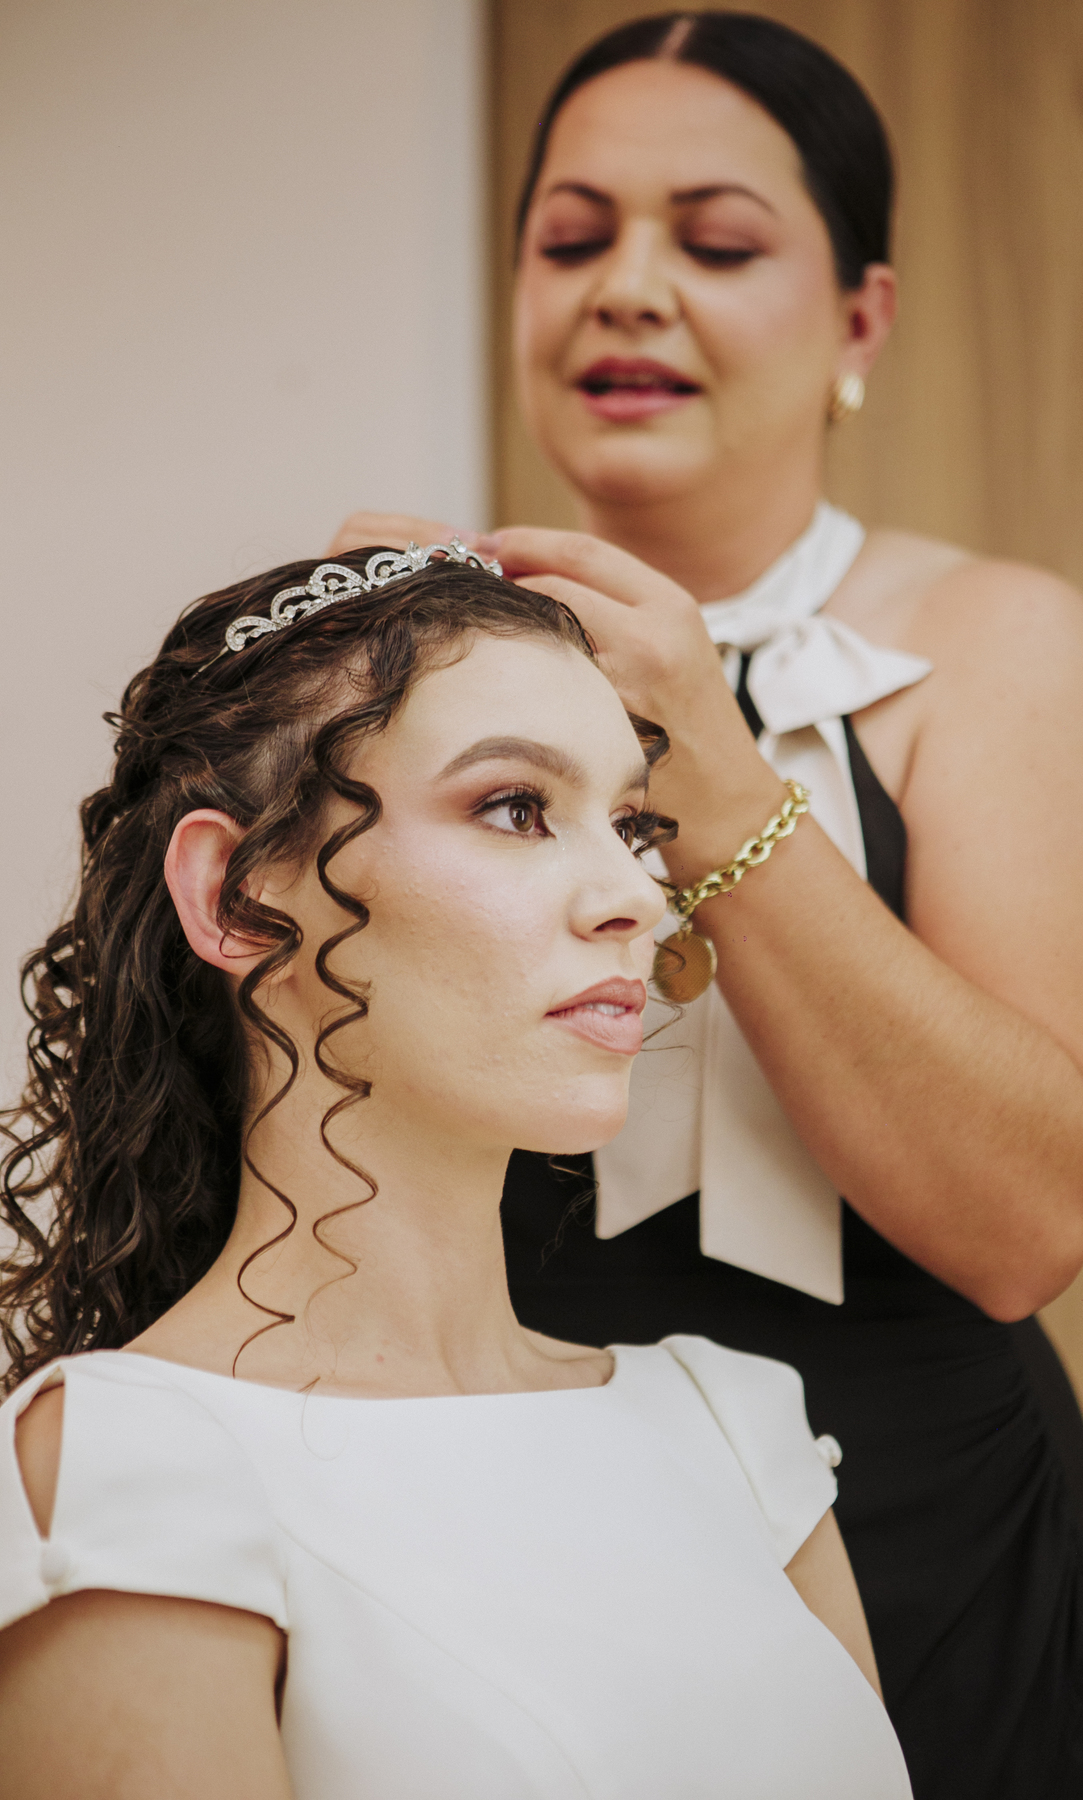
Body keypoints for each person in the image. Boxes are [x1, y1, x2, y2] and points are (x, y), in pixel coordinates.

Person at [328, 13, 1083, 1799]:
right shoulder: (401, 657)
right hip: (515, 1502)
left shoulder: (992, 646)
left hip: (926, 1527)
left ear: (859, 321)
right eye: (572, 239)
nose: (628, 290)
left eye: (714, 244)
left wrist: (707, 759)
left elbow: (1023, 1225)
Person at [0, 543, 911, 1798]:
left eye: (633, 825)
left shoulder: (730, 1425)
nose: (638, 899)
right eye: (515, 808)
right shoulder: (130, 1460)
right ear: (238, 897)